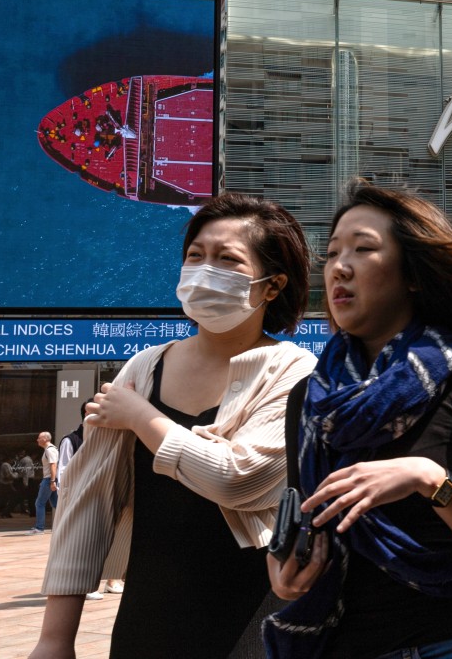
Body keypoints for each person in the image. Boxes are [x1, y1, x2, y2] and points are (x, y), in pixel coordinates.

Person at [264, 182, 452, 658]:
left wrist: (428, 478)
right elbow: (307, 520)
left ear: (412, 273)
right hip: (333, 646)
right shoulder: (309, 399)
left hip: (446, 645)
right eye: (332, 254)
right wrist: (285, 566)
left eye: (363, 249)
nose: (340, 267)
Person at [30, 192, 317, 659]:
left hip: (253, 624)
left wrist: (141, 417)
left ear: (272, 285)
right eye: (195, 256)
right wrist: (55, 639)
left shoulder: (295, 371)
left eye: (228, 260)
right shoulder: (143, 369)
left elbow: (239, 478)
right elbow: (88, 503)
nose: (205, 270)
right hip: (149, 618)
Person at [56, 399, 122, 599]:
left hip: (104, 495)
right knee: (84, 542)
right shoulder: (71, 440)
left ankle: (112, 580)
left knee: (110, 539)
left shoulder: (107, 438)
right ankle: (86, 585)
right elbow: (64, 472)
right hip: (80, 498)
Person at [28, 431, 58, 535]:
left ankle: (39, 528)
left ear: (45, 439)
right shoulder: (50, 449)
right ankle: (67, 524)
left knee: (39, 503)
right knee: (57, 504)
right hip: (50, 479)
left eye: (39, 438)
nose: (37, 440)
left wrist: (52, 481)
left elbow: (53, 465)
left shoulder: (50, 450)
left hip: (49, 479)